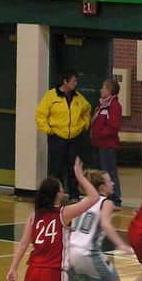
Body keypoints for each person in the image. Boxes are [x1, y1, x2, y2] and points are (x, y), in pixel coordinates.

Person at [68, 169, 133, 281]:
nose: (113, 183)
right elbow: (105, 224)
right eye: (109, 181)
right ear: (102, 187)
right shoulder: (106, 203)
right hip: (87, 251)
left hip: (70, 249)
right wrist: (121, 244)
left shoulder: (82, 202)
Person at [36, 69, 91, 201]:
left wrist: (84, 124)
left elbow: (87, 110)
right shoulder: (51, 96)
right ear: (65, 81)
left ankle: (74, 195)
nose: (76, 83)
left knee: (73, 168)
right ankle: (55, 196)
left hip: (74, 138)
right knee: (56, 168)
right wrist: (49, 130)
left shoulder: (78, 97)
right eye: (73, 81)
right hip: (57, 137)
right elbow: (40, 115)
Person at [90, 79, 123, 208]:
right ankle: (101, 198)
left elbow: (113, 126)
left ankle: (115, 199)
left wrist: (100, 134)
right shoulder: (102, 105)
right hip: (98, 144)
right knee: (100, 173)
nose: (101, 90)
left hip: (107, 145)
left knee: (109, 171)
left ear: (110, 91)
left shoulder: (114, 106)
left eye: (104, 88)